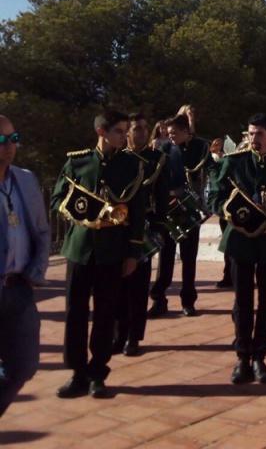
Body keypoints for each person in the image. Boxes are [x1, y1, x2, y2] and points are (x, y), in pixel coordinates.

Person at [52, 109, 146, 398]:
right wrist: (81, 209)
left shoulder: (132, 165)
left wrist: (133, 253)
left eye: (126, 131)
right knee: (75, 312)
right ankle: (77, 372)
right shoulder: (77, 162)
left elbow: (138, 212)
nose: (124, 136)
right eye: (119, 131)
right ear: (101, 132)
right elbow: (57, 199)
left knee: (106, 313)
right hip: (80, 248)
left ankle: (98, 372)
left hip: (112, 251)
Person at [209, 113, 266, 384]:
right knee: (243, 301)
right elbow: (215, 197)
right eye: (250, 134)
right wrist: (232, 211)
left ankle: (259, 355)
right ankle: (242, 356)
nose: (253, 139)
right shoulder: (235, 161)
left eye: (259, 134)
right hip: (240, 240)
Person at [0, 115, 50, 417]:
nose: (9, 146)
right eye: (1, 140)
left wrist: (36, 271)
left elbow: (42, 231)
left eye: (13, 139)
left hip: (19, 288)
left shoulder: (26, 179)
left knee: (24, 365)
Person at [115, 113, 170, 356]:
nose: (143, 132)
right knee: (117, 283)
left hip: (143, 227)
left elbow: (161, 197)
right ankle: (118, 333)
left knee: (139, 284)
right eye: (137, 128)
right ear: (127, 132)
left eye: (145, 128)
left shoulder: (156, 159)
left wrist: (158, 228)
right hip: (116, 227)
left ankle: (134, 337)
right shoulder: (117, 157)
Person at [149, 114, 212, 317]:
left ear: (186, 131)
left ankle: (188, 301)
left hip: (190, 209)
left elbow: (211, 171)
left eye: (174, 133)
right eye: (169, 133)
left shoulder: (200, 147)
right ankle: (159, 300)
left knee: (188, 258)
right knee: (165, 257)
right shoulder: (165, 149)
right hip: (168, 208)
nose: (171, 136)